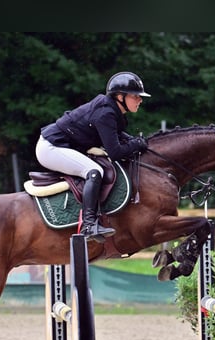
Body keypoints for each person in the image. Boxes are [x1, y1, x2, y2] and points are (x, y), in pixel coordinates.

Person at [36, 71, 150, 243]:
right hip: (51, 147)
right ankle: (88, 224)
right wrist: (137, 144)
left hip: (61, 145)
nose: (140, 100)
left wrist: (133, 141)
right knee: (94, 171)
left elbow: (117, 135)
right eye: (135, 96)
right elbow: (116, 153)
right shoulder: (106, 113)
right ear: (120, 97)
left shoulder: (112, 110)